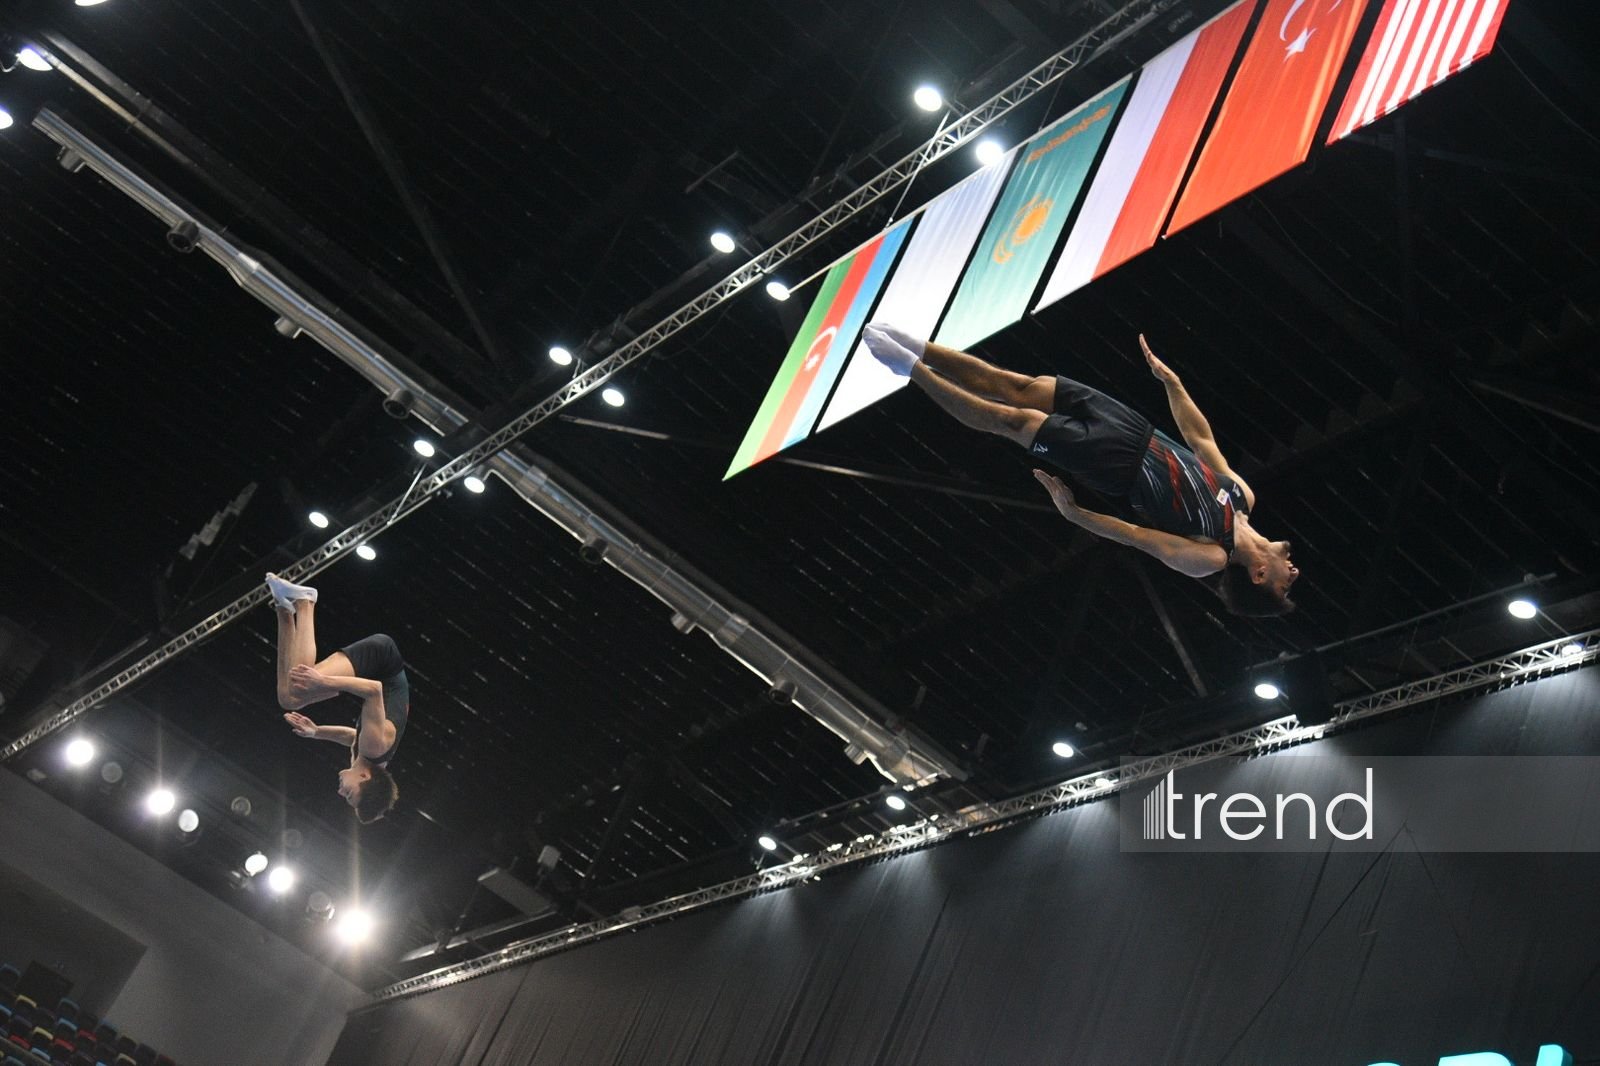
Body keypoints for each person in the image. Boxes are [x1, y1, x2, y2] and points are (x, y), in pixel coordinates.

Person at [862, 324, 1298, 616]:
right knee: (1021, 386)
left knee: (1015, 421)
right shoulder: (1243, 498)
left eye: (1283, 587)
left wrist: (1075, 515)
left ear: (1258, 576)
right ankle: (922, 348)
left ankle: (911, 369)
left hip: (1115, 465)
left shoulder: (1211, 556)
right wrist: (1174, 384)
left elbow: (1137, 536)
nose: (1293, 574)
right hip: (1134, 426)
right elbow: (1202, 441)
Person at [266, 573, 407, 822]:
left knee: (288, 698)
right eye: (349, 794)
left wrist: (316, 731)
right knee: (300, 686)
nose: (340, 791)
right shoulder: (374, 747)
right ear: (365, 778)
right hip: (382, 661)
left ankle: (283, 608)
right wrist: (323, 682)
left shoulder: (364, 760)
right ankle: (305, 602)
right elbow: (373, 689)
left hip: (377, 670)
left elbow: (352, 737)